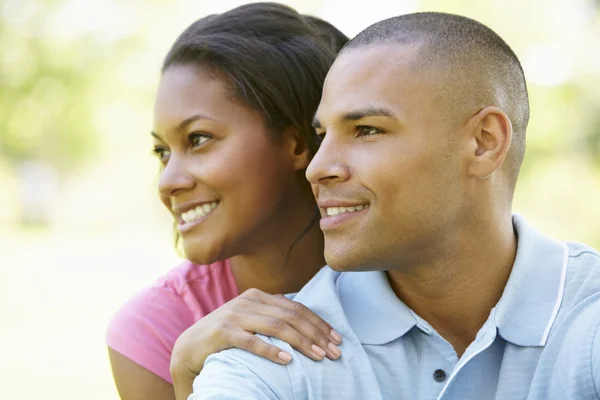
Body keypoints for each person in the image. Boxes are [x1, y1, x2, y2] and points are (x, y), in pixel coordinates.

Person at [191, 11, 600, 400]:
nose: (316, 169)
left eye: (366, 129)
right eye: (323, 135)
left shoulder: (589, 317)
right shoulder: (268, 356)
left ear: (483, 142)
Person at [106, 4, 349, 400]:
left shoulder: (408, 281)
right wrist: (188, 379)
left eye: (198, 139)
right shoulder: (154, 332)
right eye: (162, 152)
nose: (167, 181)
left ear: (299, 142)